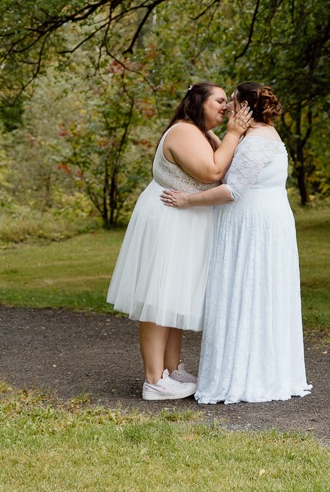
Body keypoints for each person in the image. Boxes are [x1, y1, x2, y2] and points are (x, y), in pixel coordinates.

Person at [161, 81, 311, 404]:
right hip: (266, 222)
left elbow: (232, 189)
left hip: (251, 227)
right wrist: (218, 133)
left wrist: (188, 200)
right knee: (257, 295)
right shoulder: (258, 136)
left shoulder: (256, 142)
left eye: (233, 101)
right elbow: (229, 160)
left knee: (247, 292)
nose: (228, 105)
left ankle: (244, 376)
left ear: (246, 107)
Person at [107, 81, 252, 401]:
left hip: (184, 221)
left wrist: (226, 134)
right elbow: (211, 172)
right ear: (196, 102)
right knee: (159, 297)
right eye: (218, 101)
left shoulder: (199, 132)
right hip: (168, 220)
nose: (225, 107)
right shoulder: (184, 131)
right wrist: (233, 133)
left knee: (175, 297)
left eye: (226, 102)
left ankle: (171, 369)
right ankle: (153, 379)